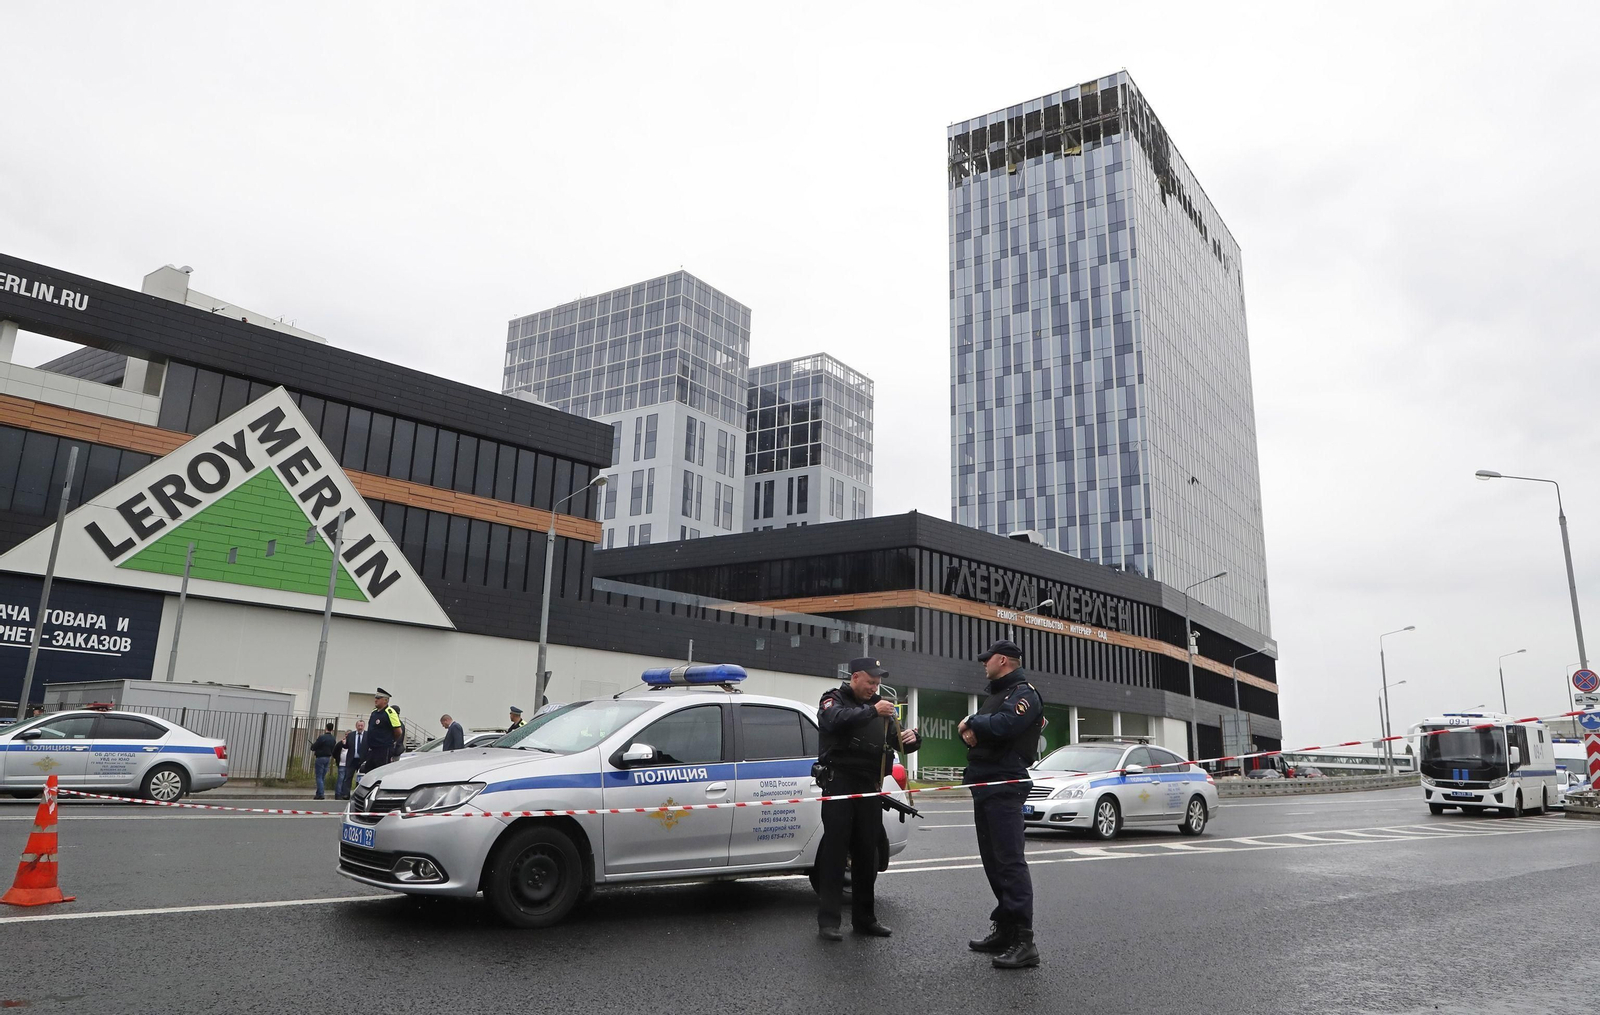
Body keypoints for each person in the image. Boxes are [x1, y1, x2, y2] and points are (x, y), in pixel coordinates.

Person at [813, 656, 920, 941]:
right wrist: (873, 711)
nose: (875, 688)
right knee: (835, 853)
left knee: (865, 854)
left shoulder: (882, 707)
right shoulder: (833, 700)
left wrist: (912, 738)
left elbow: (897, 742)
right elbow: (834, 721)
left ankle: (865, 919)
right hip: (840, 784)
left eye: (878, 683)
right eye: (870, 682)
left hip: (870, 784)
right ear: (856, 677)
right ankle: (829, 922)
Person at [959, 639, 1045, 969]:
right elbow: (972, 733)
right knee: (993, 862)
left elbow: (1004, 725)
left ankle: (1025, 941)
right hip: (984, 782)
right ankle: (1006, 927)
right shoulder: (995, 695)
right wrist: (973, 725)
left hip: (1005, 782)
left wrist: (972, 722)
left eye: (988, 659)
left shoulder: (1023, 693)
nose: (984, 664)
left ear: (1004, 660)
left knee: (1009, 862)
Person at [362, 689, 403, 774]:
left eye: (378, 698)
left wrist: (390, 741)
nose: (375, 700)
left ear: (385, 700)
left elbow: (398, 731)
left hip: (383, 749)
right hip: (372, 749)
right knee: (369, 772)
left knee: (380, 773)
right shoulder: (374, 712)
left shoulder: (390, 712)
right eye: (375, 697)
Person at [335, 720, 365, 799]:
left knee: (360, 778)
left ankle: (359, 795)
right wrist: (344, 744)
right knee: (348, 777)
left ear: (364, 726)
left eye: (362, 726)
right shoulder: (351, 735)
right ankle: (346, 794)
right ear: (356, 726)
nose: (360, 727)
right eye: (359, 726)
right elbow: (346, 746)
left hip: (362, 760)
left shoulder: (367, 735)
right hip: (352, 760)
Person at [310, 722, 337, 800]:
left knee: (319, 776)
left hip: (320, 757)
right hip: (328, 758)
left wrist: (313, 747)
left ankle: (321, 794)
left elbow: (315, 746)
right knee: (322, 776)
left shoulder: (322, 737)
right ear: (332, 729)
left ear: (326, 728)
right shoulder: (333, 738)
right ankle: (318, 793)